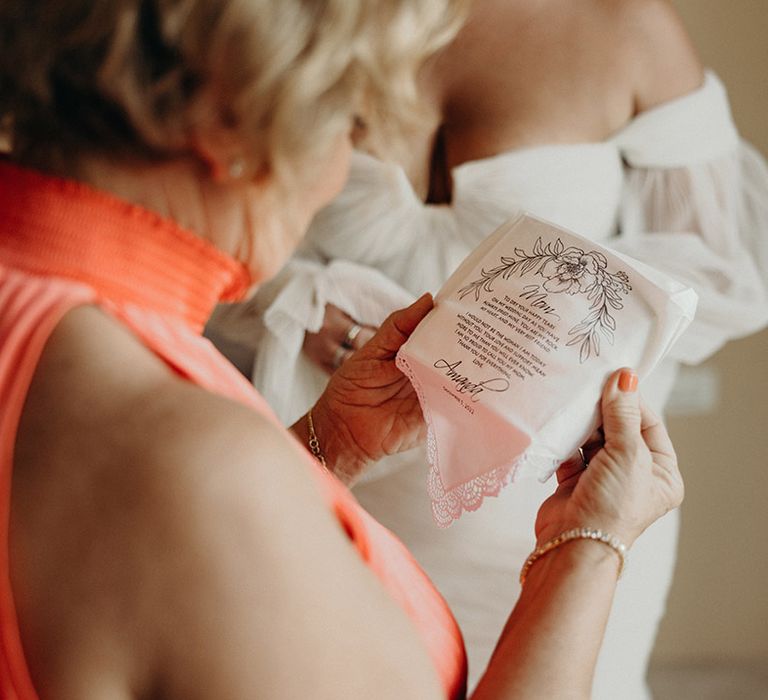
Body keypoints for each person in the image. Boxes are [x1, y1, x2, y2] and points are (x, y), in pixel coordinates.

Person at [0, 1, 687, 699]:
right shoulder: (207, 468)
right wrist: (583, 551)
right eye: (348, 128)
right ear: (224, 122)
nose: (336, 173)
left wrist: (330, 444)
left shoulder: (45, 314)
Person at [206, 0, 768, 695]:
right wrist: (297, 301)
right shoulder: (277, 23)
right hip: (328, 465)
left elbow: (722, 276)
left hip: (553, 498)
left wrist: (562, 328)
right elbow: (178, 229)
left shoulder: (625, 26)